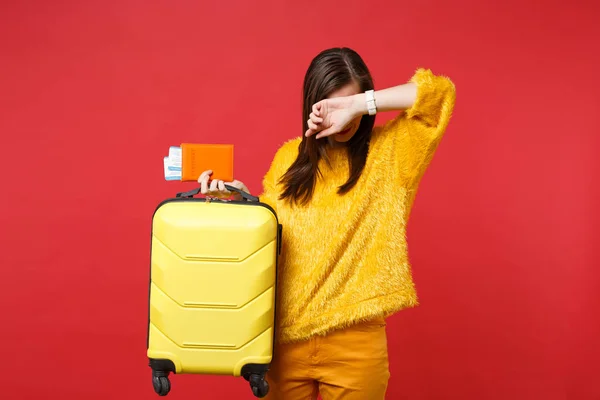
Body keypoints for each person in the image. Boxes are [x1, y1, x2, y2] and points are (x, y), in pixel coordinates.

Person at [197, 47, 456, 400]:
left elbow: (439, 95)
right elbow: (276, 238)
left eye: (347, 105)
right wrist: (244, 203)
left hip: (355, 342)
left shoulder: (393, 153)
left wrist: (360, 104)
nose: (342, 119)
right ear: (312, 104)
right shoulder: (288, 159)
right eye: (330, 105)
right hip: (283, 340)